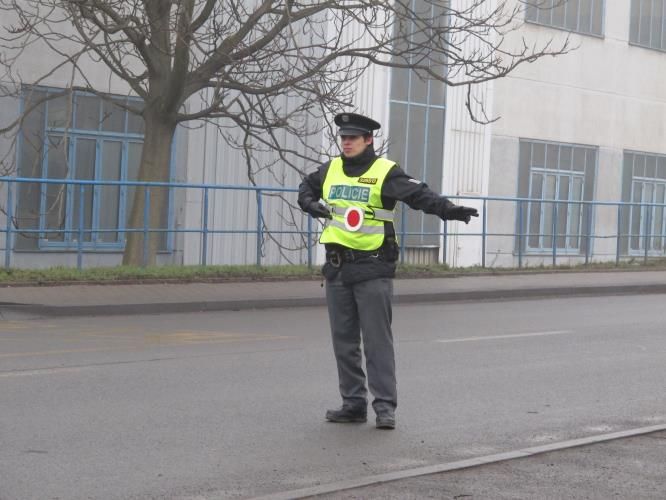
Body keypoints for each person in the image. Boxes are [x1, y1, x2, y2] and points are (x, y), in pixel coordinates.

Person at [298, 112, 478, 430]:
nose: (347, 143)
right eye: (343, 138)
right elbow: (306, 188)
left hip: (372, 268)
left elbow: (418, 195)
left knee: (377, 341)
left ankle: (384, 407)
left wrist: (449, 210)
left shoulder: (385, 172)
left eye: (353, 138)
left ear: (369, 140)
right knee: (344, 341)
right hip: (338, 268)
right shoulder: (331, 169)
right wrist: (308, 203)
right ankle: (353, 404)